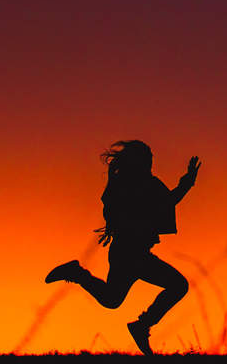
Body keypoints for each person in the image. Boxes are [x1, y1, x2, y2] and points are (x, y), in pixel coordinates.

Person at [45, 140, 200, 355]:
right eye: (148, 158)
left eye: (151, 158)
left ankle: (78, 274)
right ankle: (141, 325)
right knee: (178, 286)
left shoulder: (129, 182)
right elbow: (168, 200)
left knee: (112, 299)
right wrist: (188, 181)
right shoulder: (139, 183)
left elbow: (163, 201)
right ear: (139, 160)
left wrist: (187, 182)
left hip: (126, 251)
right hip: (132, 253)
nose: (152, 161)